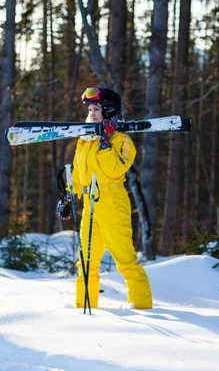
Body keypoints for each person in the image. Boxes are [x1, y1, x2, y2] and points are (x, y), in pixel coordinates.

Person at [57, 87, 153, 310]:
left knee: (125, 260)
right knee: (86, 262)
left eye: (97, 109)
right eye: (90, 109)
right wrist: (70, 195)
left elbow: (113, 170)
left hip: (112, 202)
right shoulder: (85, 140)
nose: (92, 113)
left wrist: (105, 145)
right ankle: (83, 307)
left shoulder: (122, 141)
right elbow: (80, 174)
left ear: (109, 111)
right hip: (90, 205)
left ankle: (142, 308)